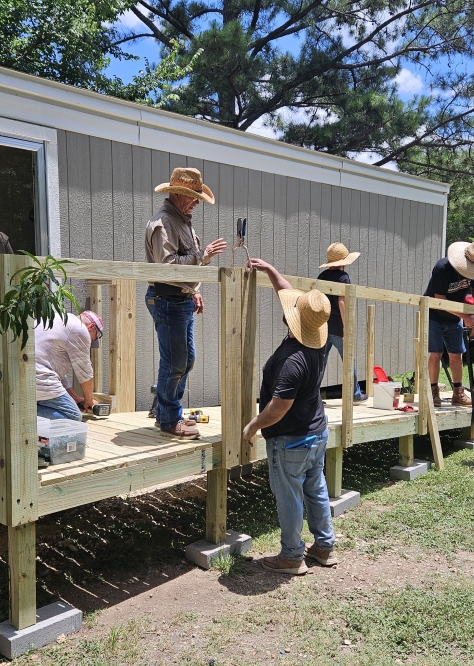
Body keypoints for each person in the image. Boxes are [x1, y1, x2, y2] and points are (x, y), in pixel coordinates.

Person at [243, 257, 336, 576]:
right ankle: (323, 548)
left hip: (291, 440)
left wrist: (254, 425)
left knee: (290, 498)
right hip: (316, 434)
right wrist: (270, 271)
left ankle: (292, 556)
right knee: (316, 489)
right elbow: (289, 294)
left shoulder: (291, 360)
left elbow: (279, 407)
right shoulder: (316, 343)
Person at [144, 168, 227, 440]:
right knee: (176, 360)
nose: (197, 202)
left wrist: (194, 291)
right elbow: (167, 268)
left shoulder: (181, 219)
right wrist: (203, 256)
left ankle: (168, 412)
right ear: (177, 194)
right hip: (167, 298)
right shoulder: (164, 223)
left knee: (184, 359)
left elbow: (185, 265)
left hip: (178, 298)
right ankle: (169, 418)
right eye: (192, 197)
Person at [0, 310, 104, 421]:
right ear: (91, 327)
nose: (91, 341)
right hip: (39, 377)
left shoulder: (59, 318)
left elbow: (56, 372)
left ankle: (10, 407)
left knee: (58, 406)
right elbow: (85, 371)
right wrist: (89, 400)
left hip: (22, 372)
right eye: (94, 337)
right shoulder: (80, 330)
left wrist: (75, 398)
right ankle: (8, 412)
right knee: (73, 415)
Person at [423, 241, 474, 408]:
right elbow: (440, 300)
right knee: (436, 353)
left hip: (455, 317)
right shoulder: (442, 268)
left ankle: (458, 393)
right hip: (435, 314)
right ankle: (433, 392)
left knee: (456, 354)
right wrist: (465, 316)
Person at [316, 242, 367, 402]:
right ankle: (354, 394)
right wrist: (347, 328)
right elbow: (342, 302)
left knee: (319, 363)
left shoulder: (322, 277)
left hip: (323, 326)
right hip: (338, 327)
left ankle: (312, 396)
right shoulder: (343, 278)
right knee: (348, 360)